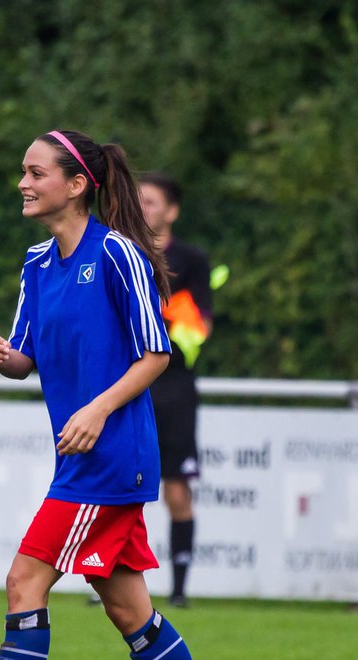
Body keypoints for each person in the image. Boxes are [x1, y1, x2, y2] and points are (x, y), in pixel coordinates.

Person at [0, 129, 248, 660]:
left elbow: (158, 352)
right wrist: (5, 358)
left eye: (36, 172)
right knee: (129, 609)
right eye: (23, 171)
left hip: (110, 457)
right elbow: (28, 358)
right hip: (81, 456)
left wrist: (98, 410)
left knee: (25, 580)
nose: (23, 182)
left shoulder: (120, 254)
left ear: (77, 186)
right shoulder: (36, 265)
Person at [138, 172, 214, 608]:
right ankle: (107, 580)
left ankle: (180, 588)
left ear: (171, 211)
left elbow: (199, 325)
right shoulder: (119, 253)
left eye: (151, 201)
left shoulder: (191, 259)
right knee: (121, 488)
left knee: (177, 488)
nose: (143, 208)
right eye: (138, 201)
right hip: (128, 386)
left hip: (175, 387)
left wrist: (159, 313)